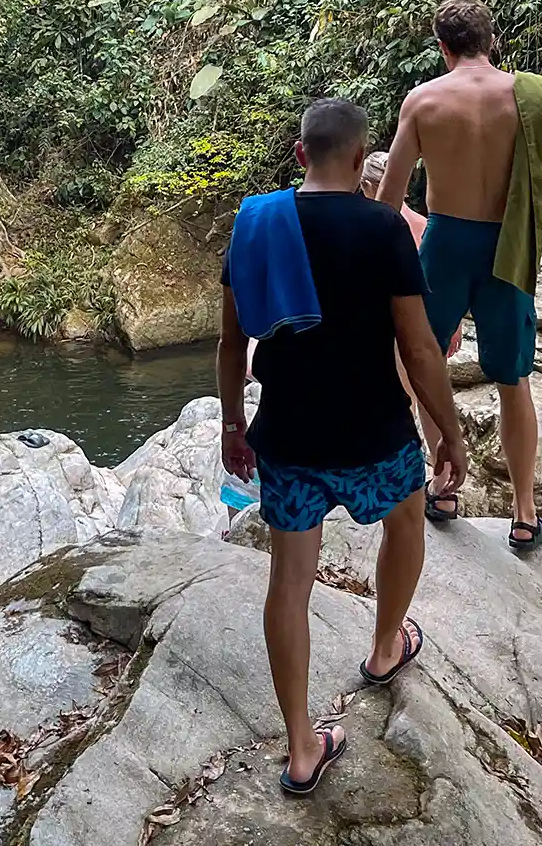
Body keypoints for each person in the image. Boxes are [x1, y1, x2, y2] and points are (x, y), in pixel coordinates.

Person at [219, 98, 466, 795]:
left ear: (301, 155)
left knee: (290, 582)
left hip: (290, 436)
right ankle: (387, 647)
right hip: (376, 432)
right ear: (362, 162)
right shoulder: (383, 226)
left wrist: (233, 424)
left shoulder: (255, 222)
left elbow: (233, 341)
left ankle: (302, 750)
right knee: (407, 519)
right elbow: (418, 348)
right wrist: (447, 430)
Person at [377, 0, 541, 549]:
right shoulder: (528, 97)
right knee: (513, 380)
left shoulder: (423, 101)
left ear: (442, 47)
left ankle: (443, 483)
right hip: (508, 247)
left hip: (445, 244)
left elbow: (389, 198)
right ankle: (524, 512)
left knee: (419, 362)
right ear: (491, 40)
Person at [361, 152, 462, 416]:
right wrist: (456, 325)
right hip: (430, 324)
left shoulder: (370, 229)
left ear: (368, 186)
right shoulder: (426, 224)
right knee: (428, 398)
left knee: (398, 400)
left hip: (388, 325)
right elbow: (448, 277)